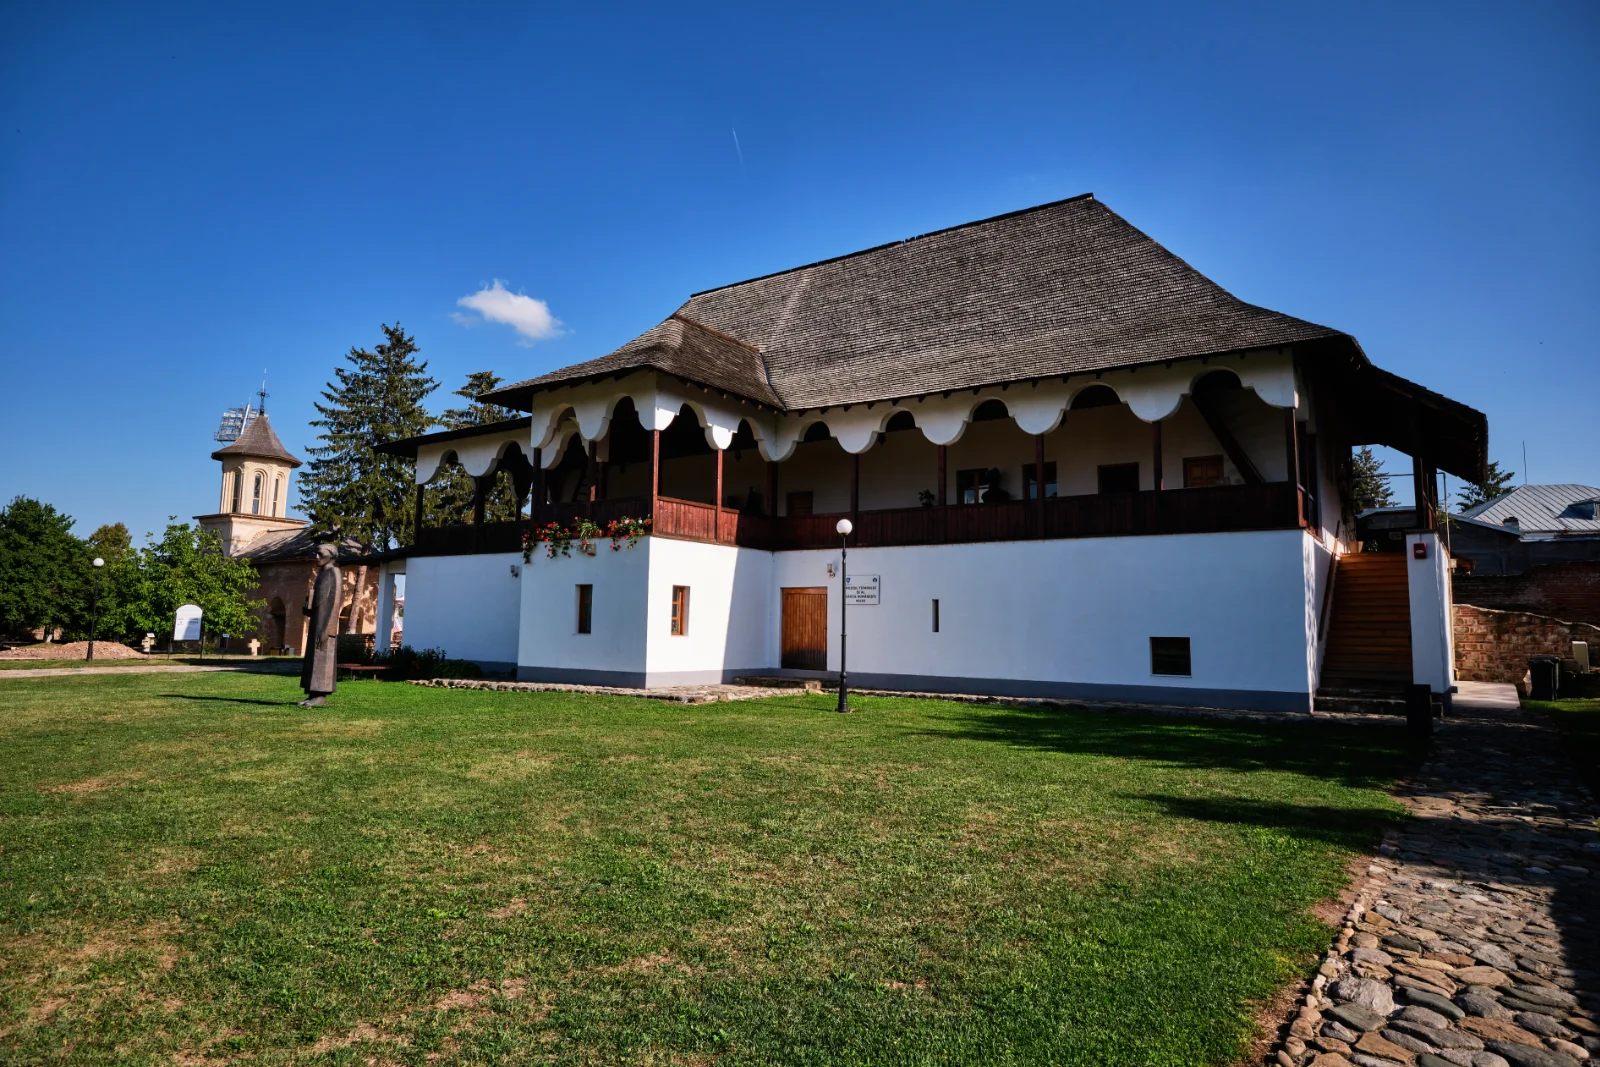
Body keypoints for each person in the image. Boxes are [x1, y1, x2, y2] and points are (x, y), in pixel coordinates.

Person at [298, 544, 340, 707]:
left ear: (331, 556)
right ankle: (312, 693)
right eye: (316, 553)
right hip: (317, 621)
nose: (316, 557)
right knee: (313, 657)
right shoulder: (320, 574)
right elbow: (319, 598)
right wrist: (308, 605)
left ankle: (320, 696)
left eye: (320, 554)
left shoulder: (334, 572)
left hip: (325, 625)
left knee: (323, 656)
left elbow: (334, 603)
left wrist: (327, 629)